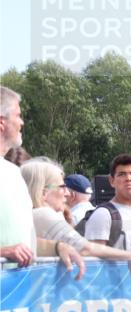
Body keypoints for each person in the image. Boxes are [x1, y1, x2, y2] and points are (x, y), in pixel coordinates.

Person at [1, 86, 85, 276]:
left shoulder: (14, 173)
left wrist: (57, 248)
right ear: (1, 122)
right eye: (18, 115)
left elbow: (25, 242)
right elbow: (11, 248)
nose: (22, 122)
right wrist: (3, 253)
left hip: (18, 295)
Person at [22, 158, 131, 285]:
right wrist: (129, 256)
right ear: (43, 192)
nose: (67, 193)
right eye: (62, 187)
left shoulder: (32, 215)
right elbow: (85, 248)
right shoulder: (43, 214)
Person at [82, 154, 131, 252]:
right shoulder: (103, 215)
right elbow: (93, 260)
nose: (128, 178)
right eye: (122, 174)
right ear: (112, 180)